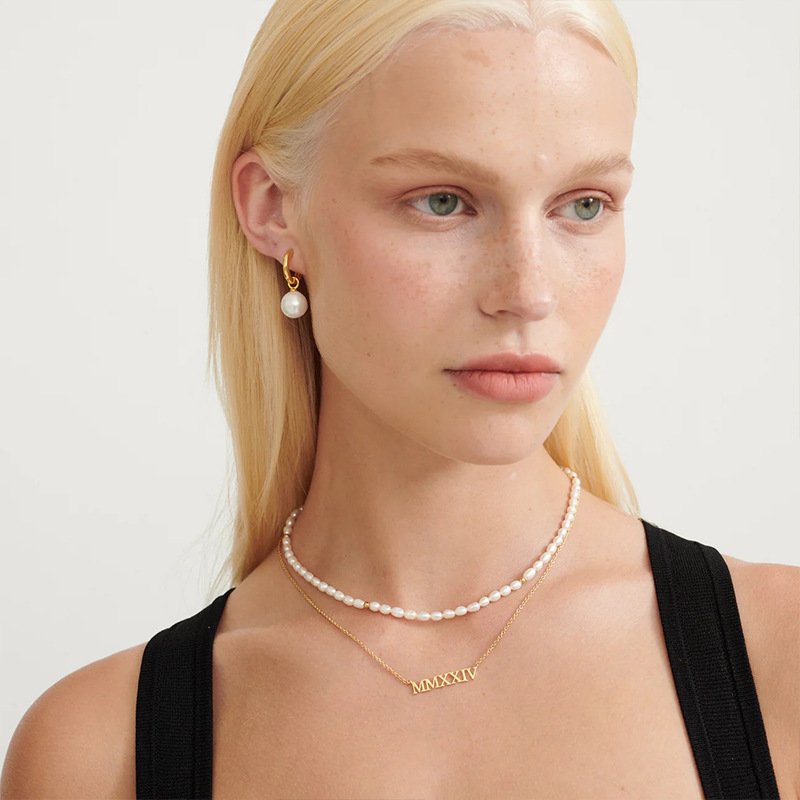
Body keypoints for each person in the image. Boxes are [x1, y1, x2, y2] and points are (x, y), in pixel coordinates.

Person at [2, 1, 797, 798]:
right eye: (442, 201)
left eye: (583, 204)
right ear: (273, 208)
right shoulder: (97, 755)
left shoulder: (780, 658)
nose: (527, 292)